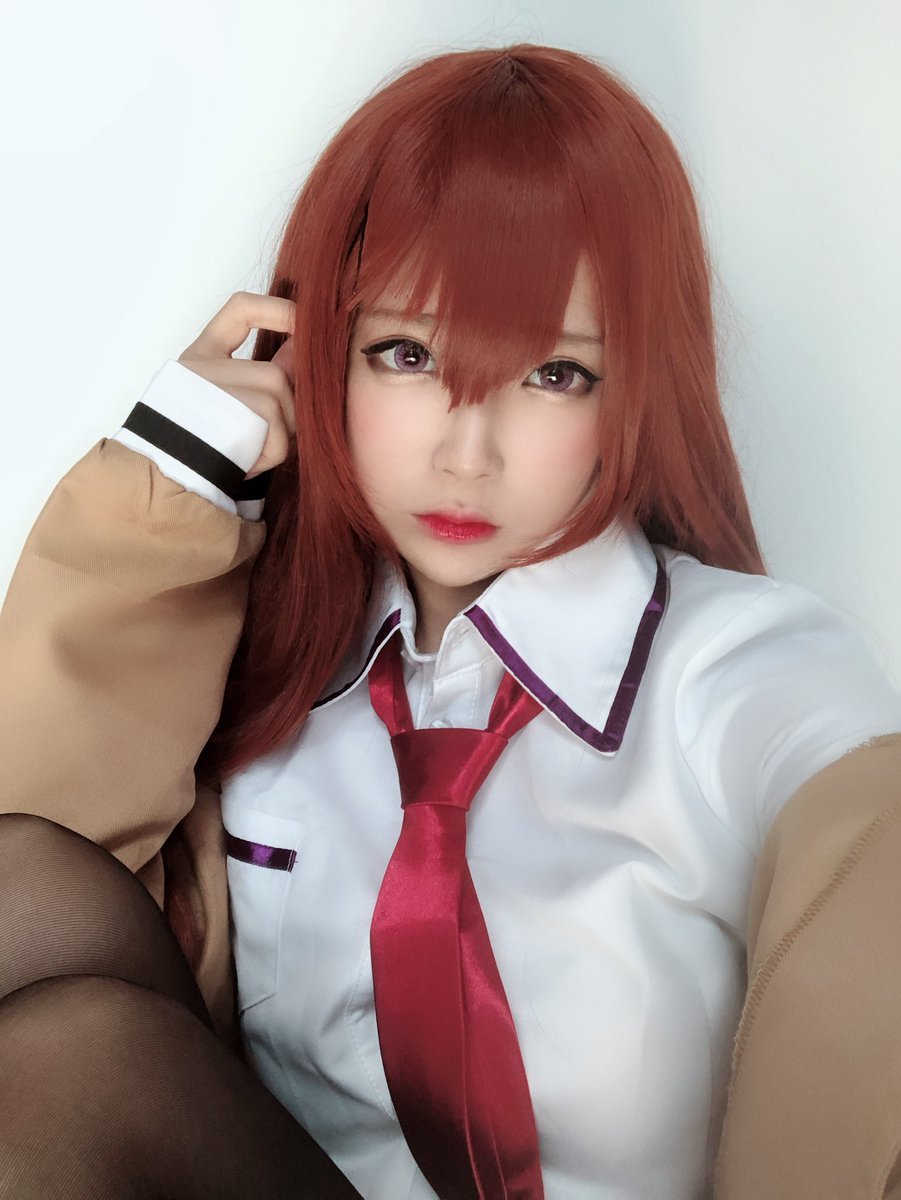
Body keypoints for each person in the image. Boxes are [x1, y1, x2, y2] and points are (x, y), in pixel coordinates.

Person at [2, 40, 901, 1200]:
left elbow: (873, 956)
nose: (466, 453)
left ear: (641, 386)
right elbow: (48, 876)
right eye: (406, 354)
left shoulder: (745, 673)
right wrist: (168, 487)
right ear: (320, 358)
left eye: (554, 374)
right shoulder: (279, 680)